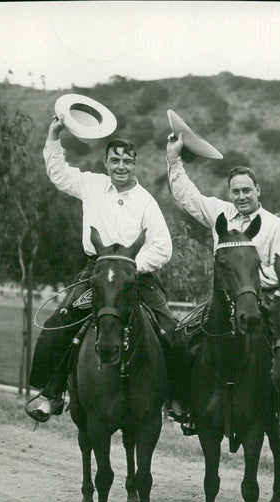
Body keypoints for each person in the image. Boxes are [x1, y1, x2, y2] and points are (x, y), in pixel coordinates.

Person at [26, 116, 177, 422]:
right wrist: (54, 134)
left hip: (137, 278)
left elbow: (163, 247)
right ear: (105, 162)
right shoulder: (92, 185)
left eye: (127, 161)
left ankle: (176, 400)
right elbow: (58, 174)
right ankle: (52, 393)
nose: (121, 166)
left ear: (135, 164)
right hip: (95, 274)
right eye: (115, 160)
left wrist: (131, 267)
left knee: (171, 332)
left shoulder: (146, 202)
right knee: (58, 325)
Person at [165, 132, 280, 427]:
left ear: (258, 190)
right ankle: (186, 405)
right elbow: (188, 195)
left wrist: (249, 282)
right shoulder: (220, 212)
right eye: (236, 191)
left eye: (247, 190)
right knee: (182, 337)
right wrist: (173, 160)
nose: (241, 197)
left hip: (261, 300)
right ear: (229, 193)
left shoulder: (274, 225)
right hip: (221, 300)